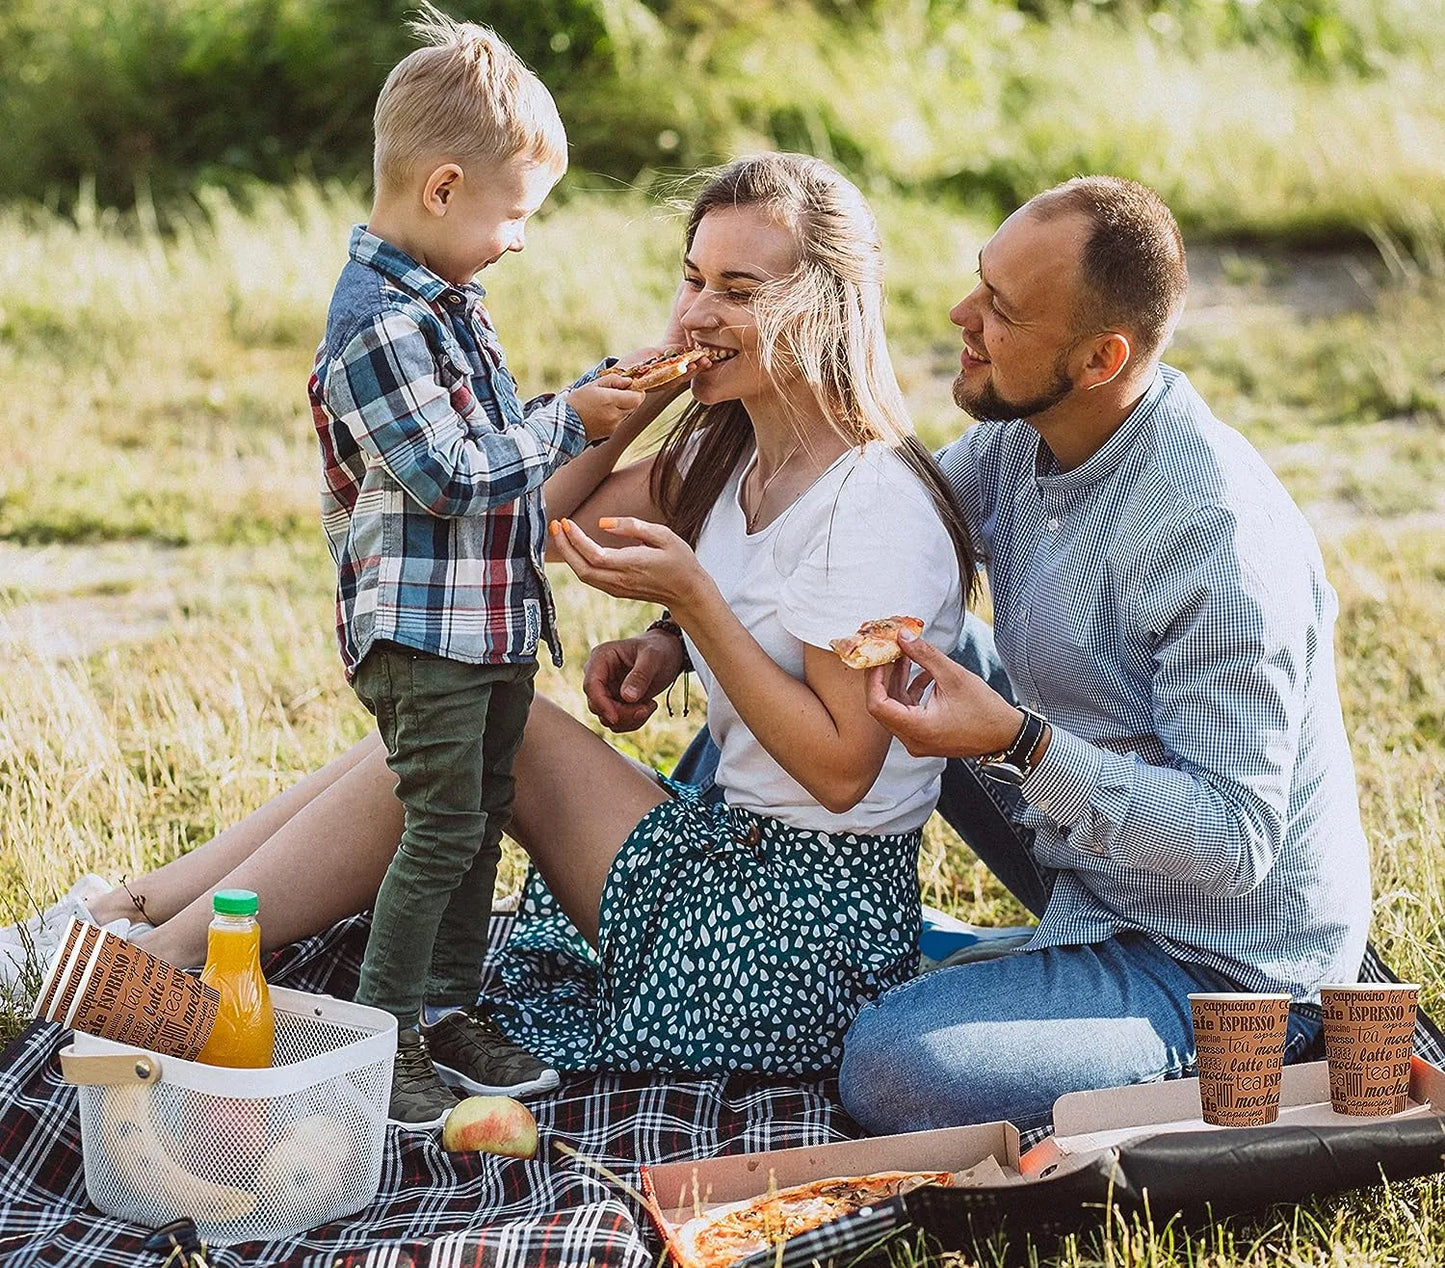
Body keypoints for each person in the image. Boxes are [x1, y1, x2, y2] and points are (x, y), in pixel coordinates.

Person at [11, 153, 972, 1085]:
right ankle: (126, 914)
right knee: (453, 725)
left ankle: (151, 963)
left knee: (484, 731)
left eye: (739, 290)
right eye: (690, 280)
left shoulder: (873, 505)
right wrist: (631, 446)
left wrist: (694, 607)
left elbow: (844, 772)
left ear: (827, 307)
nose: (695, 313)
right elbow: (536, 512)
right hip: (731, 862)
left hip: (799, 942)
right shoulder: (737, 461)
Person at [836, 175, 1372, 1134]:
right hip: (1095, 856)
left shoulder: (1215, 542)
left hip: (1224, 964)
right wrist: (680, 630)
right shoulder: (1026, 431)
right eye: (979, 285)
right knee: (881, 657)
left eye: (1001, 311)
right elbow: (886, 537)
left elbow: (1230, 845)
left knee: (896, 1068)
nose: (961, 317)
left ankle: (1005, 982)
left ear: (1098, 357)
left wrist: (1016, 743)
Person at [306, 9, 658, 1126]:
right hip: (424, 636)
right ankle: (382, 1030)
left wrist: (593, 393)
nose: (520, 238)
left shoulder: (446, 303)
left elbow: (499, 438)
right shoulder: (374, 328)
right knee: (439, 825)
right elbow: (456, 475)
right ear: (445, 189)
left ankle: (448, 1004)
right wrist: (569, 419)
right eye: (515, 214)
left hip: (488, 625)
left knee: (480, 810)